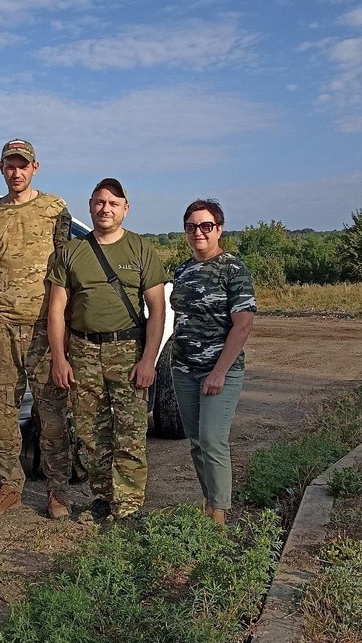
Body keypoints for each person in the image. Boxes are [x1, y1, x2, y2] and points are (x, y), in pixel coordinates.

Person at [48, 179, 167, 522]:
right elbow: (58, 309)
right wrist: (59, 358)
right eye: (100, 202)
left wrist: (148, 360)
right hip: (83, 351)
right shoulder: (71, 252)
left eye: (114, 203)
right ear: (90, 205)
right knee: (89, 432)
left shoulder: (141, 249)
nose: (106, 209)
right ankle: (102, 497)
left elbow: (156, 309)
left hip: (128, 350)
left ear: (125, 208)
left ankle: (128, 506)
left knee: (129, 431)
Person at [0, 139, 73, 519]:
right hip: (2, 326)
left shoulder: (54, 209)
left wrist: (64, 330)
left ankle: (57, 491)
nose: (16, 172)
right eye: (10, 166)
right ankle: (8, 486)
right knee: (2, 412)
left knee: (51, 414)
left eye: (23, 165)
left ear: (35, 167)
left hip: (45, 328)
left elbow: (66, 270)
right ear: (1, 168)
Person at [170, 199, 256, 525]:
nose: (198, 232)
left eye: (206, 226)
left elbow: (243, 323)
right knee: (195, 442)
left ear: (219, 229)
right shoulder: (182, 269)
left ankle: (219, 516)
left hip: (219, 370)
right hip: (182, 368)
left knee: (212, 439)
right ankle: (208, 503)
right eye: (191, 226)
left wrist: (218, 372)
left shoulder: (233, 269)